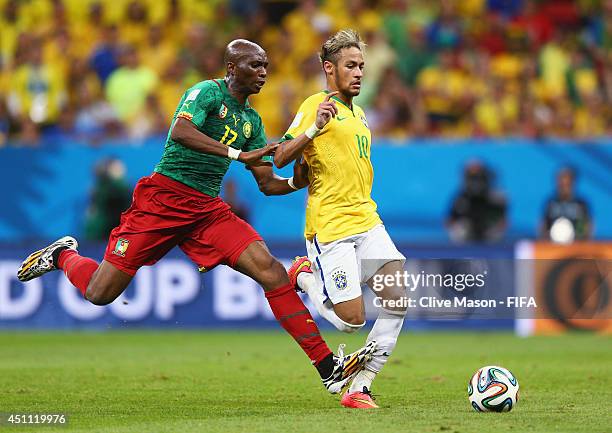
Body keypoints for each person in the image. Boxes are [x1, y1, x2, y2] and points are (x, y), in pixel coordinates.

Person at [17, 39, 374, 395]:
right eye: (254, 65)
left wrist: (300, 179)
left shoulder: (251, 121)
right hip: (163, 200)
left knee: (271, 271)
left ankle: (328, 368)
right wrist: (236, 154)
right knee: (99, 293)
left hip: (205, 209)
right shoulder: (206, 93)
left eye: (265, 65)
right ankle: (62, 255)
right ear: (232, 68)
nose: (263, 72)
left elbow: (267, 184)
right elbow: (181, 131)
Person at [274, 30, 407, 409]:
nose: (359, 72)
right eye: (351, 65)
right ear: (329, 69)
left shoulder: (360, 113)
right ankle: (302, 274)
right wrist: (313, 127)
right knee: (351, 322)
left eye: (362, 65)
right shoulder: (316, 104)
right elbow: (281, 157)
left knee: (397, 300)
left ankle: (359, 387)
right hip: (331, 227)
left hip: (367, 219)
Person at [447, 160, 507, 243]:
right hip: (466, 235)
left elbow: (502, 221)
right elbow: (450, 220)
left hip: (489, 232)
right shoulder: (462, 198)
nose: (476, 182)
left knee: (494, 232)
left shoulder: (497, 196)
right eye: (472, 178)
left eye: (479, 177)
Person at [541, 167, 592, 243]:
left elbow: (586, 227)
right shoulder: (551, 203)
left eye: (567, 184)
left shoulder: (580, 204)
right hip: (553, 246)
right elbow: (543, 227)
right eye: (561, 184)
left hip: (576, 246)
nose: (564, 187)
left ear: (573, 183)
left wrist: (580, 240)